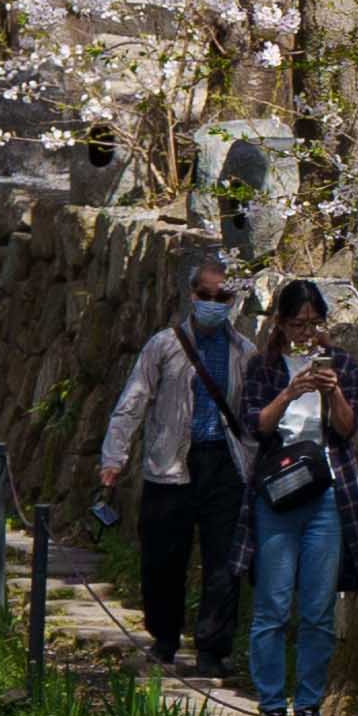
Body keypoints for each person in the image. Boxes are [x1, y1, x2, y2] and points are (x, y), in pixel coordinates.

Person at [94, 246, 248, 671]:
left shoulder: (243, 352)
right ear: (190, 294)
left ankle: (213, 649)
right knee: (162, 557)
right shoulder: (163, 346)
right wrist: (115, 455)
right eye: (206, 294)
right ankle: (164, 637)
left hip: (224, 463)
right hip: (170, 464)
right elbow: (133, 401)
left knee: (222, 561)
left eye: (223, 298)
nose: (213, 304)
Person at [223, 282, 355, 716]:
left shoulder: (341, 366)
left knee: (318, 610)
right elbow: (254, 423)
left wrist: (332, 389)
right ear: (279, 323)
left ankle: (311, 705)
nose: (306, 332)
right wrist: (291, 389)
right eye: (297, 323)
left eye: (314, 324)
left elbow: (347, 427)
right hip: (277, 495)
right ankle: (272, 706)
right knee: (273, 606)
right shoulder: (261, 367)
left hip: (325, 495)